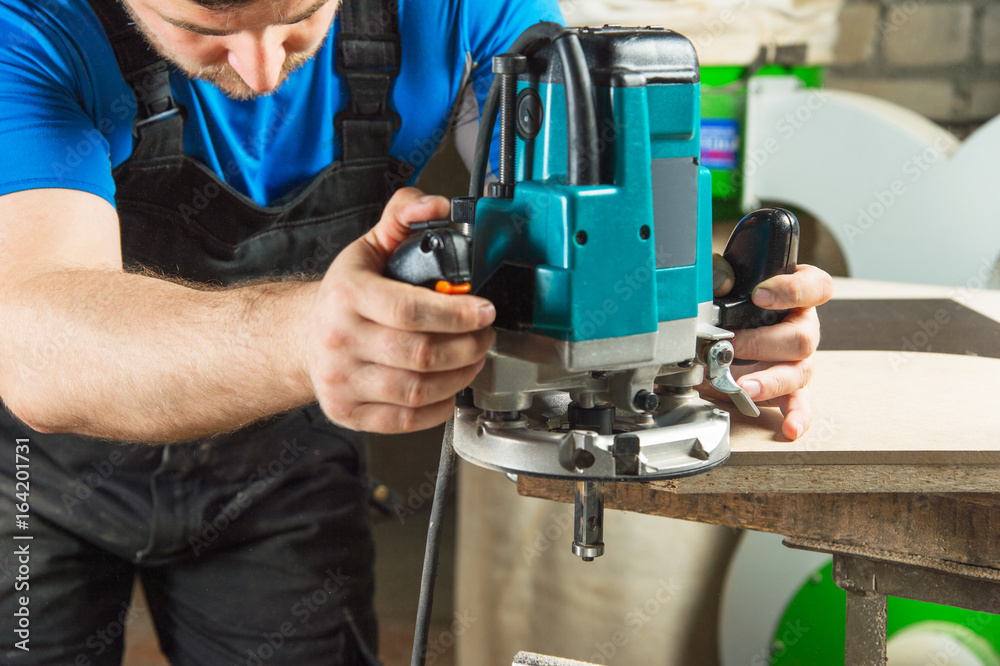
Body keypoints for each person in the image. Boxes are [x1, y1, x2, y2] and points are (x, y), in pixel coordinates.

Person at [0, 0, 833, 664]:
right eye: (203, 26)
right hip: (36, 478)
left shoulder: (457, 10)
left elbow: (566, 213)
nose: (259, 68)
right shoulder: (29, 23)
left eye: (300, 18)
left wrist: (684, 317)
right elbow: (35, 339)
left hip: (279, 466)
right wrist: (311, 337)